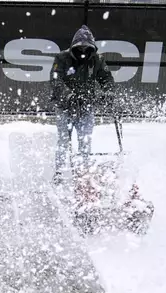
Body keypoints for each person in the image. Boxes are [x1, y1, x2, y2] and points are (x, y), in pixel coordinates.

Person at [49, 25, 115, 185]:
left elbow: (106, 78)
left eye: (87, 48)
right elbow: (55, 80)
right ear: (74, 47)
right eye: (80, 48)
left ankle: (83, 172)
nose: (83, 52)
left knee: (85, 140)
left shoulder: (97, 60)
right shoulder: (62, 58)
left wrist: (108, 92)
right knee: (64, 140)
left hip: (86, 106)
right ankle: (59, 171)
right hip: (65, 107)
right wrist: (69, 96)